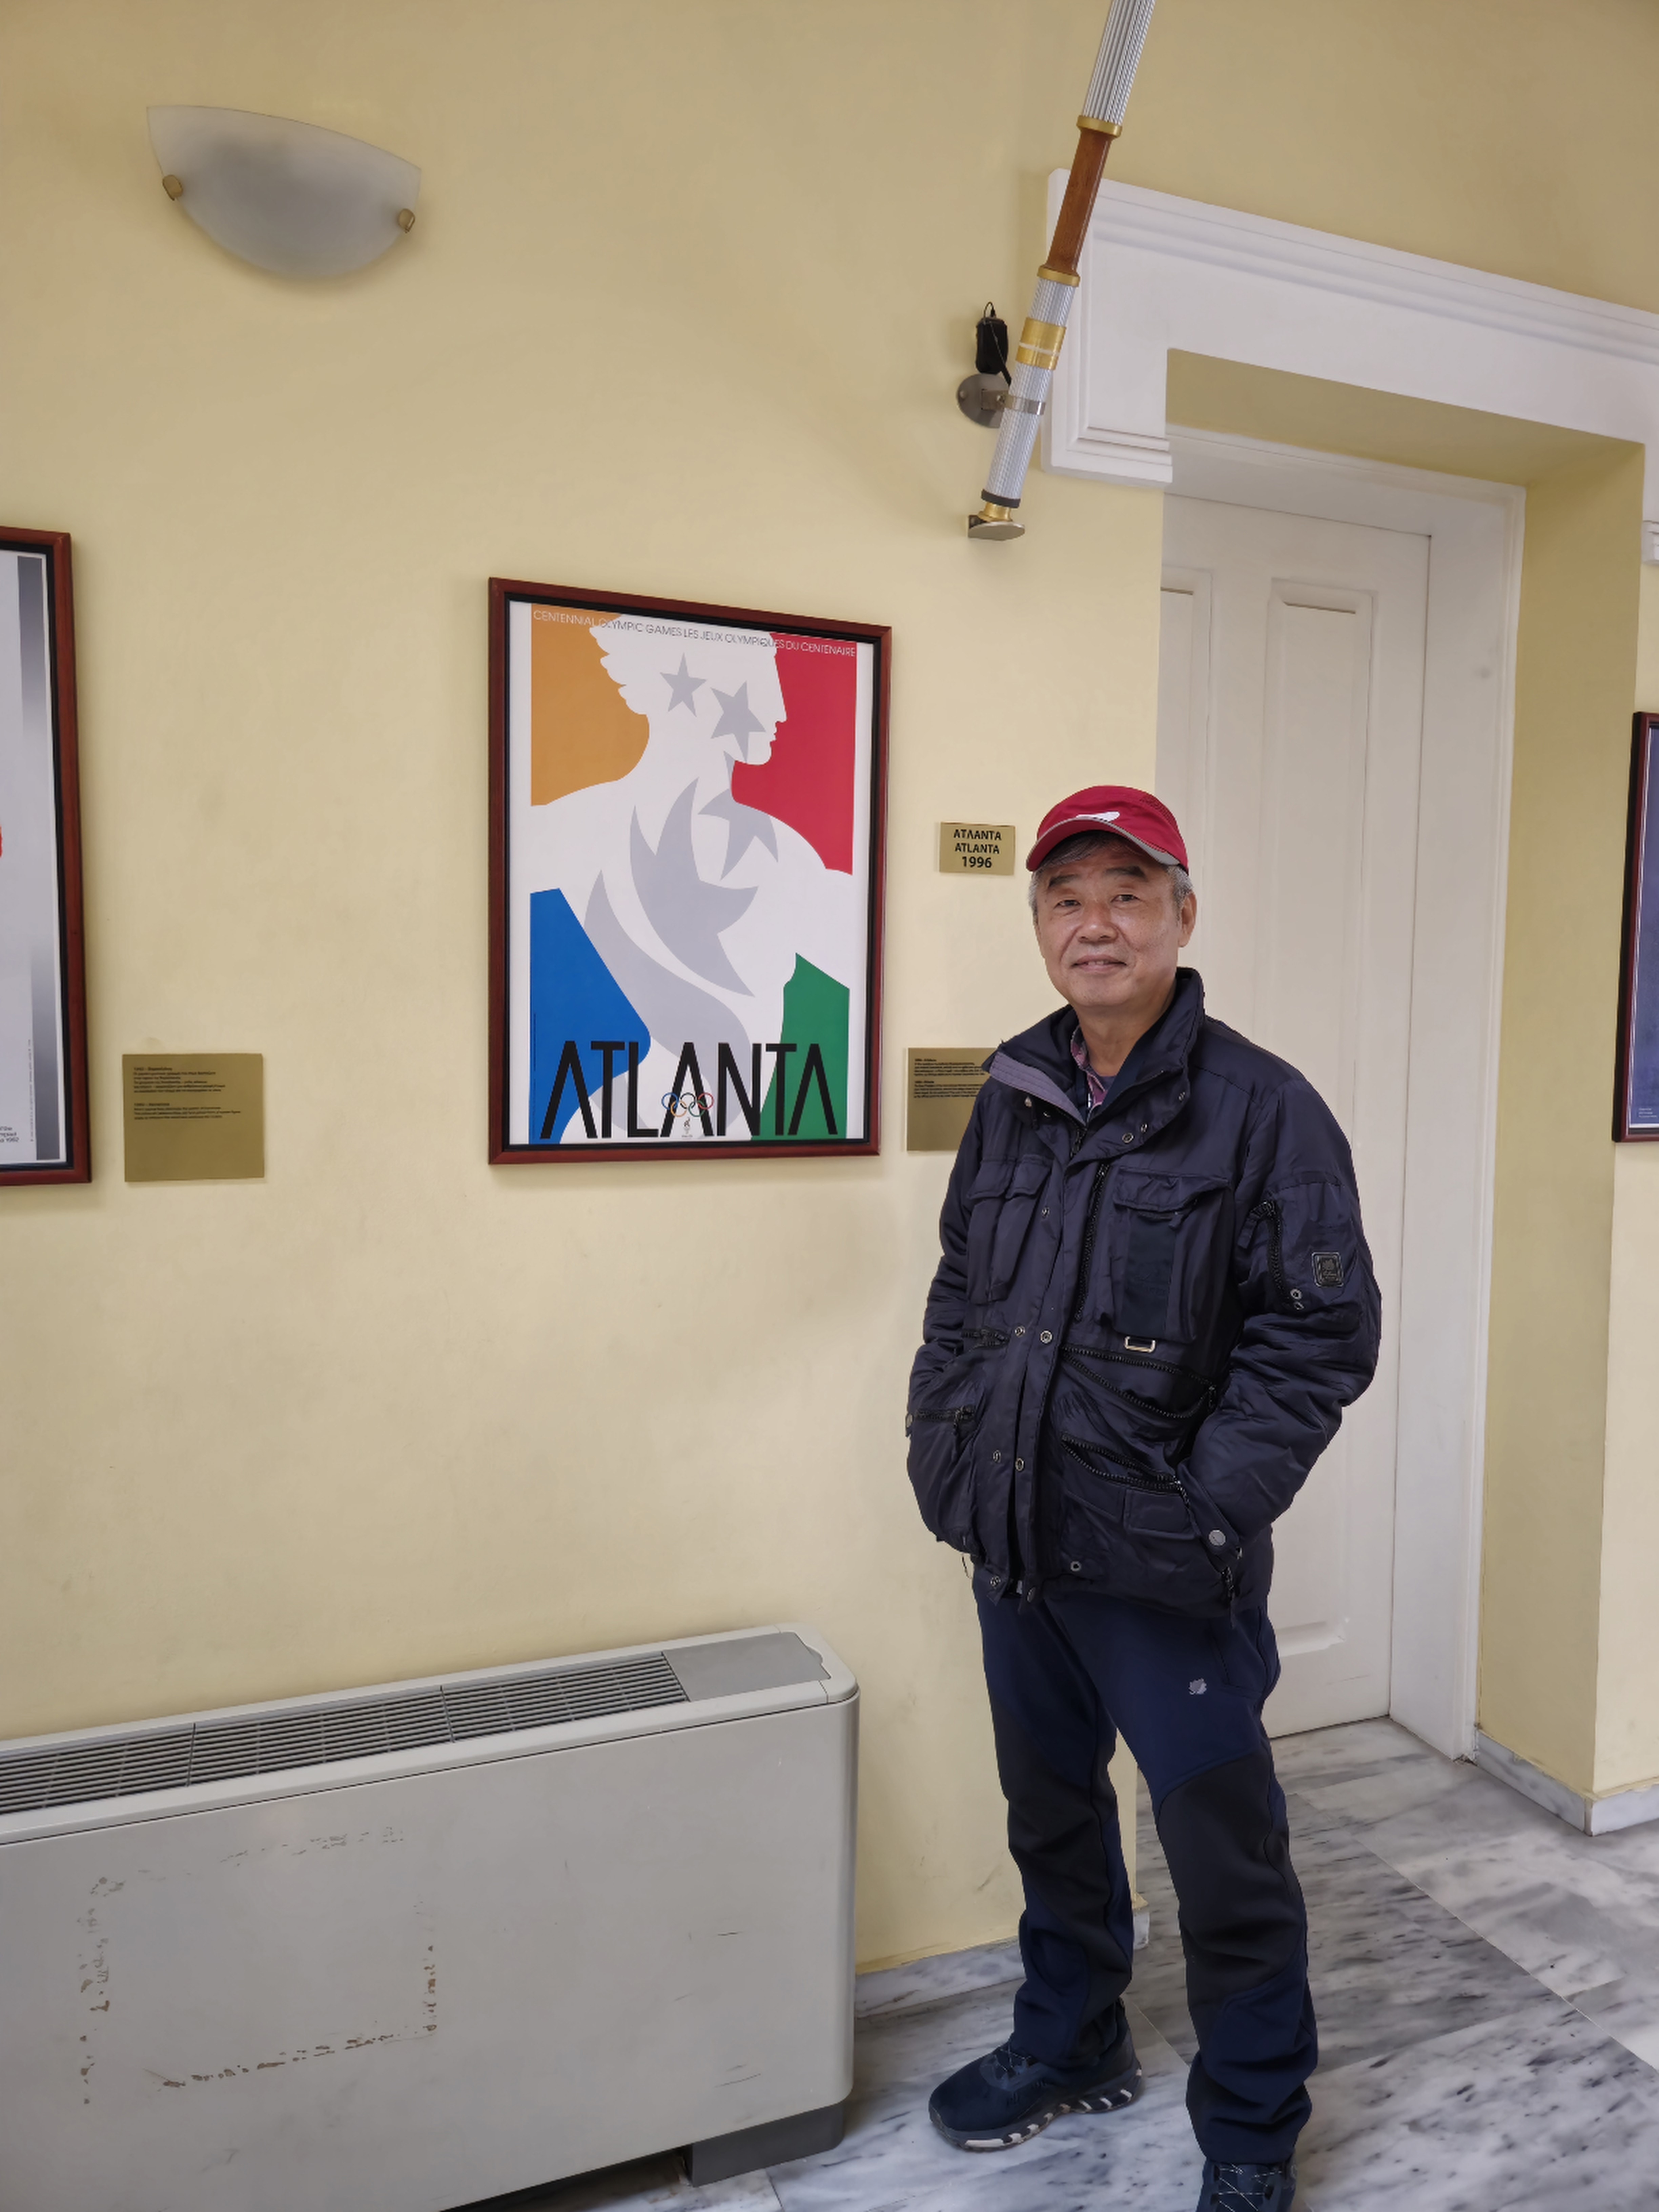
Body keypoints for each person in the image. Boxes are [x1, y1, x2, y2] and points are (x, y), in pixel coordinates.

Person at [905, 786, 1380, 2212]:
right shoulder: (1015, 1091)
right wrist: (943, 1446)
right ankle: (1075, 2037)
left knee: (1225, 1861)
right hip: (1017, 1540)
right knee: (1051, 1818)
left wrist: (1205, 1512)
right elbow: (961, 1288)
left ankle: (1251, 2129)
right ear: (1040, 923)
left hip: (1169, 1566)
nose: (1095, 922)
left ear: (1183, 915)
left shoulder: (1266, 1111)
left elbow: (1318, 1341)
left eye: (1128, 892)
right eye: (1067, 896)